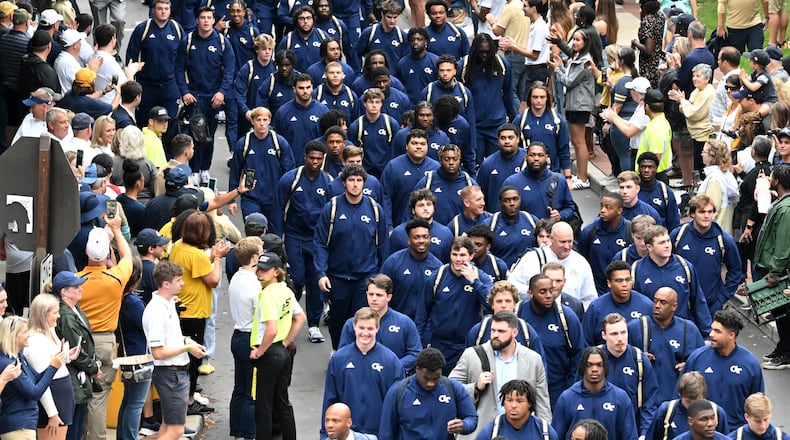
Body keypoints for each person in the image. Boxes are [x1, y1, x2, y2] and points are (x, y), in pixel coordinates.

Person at [314, 165, 388, 350]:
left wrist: (380, 276)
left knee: (363, 318)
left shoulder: (375, 209)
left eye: (359, 180)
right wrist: (321, 273)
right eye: (351, 180)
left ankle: (360, 353)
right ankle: (337, 351)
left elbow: (383, 244)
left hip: (366, 276)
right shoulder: (331, 209)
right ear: (344, 183)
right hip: (338, 276)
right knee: (338, 319)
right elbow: (321, 242)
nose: (355, 184)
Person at [167, 211, 230, 414]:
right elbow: (212, 280)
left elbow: (197, 268)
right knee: (193, 359)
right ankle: (189, 399)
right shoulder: (196, 255)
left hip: (180, 309)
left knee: (181, 356)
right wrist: (218, 258)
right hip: (195, 312)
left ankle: (183, 394)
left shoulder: (178, 247)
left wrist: (211, 256)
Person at [76, 218, 133, 440]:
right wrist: (117, 231)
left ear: (85, 251)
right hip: (104, 341)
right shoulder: (116, 279)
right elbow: (127, 257)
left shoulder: (76, 280)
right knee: (99, 396)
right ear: (109, 254)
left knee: (77, 394)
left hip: (78, 342)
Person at [142, 261, 207, 440]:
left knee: (166, 428)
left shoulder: (168, 303)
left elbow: (170, 337)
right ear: (166, 284)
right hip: (171, 374)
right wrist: (187, 347)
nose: (183, 283)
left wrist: (187, 341)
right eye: (179, 280)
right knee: (175, 431)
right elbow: (158, 352)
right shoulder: (156, 311)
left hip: (174, 373)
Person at [277, 141, 333, 343]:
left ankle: (313, 325)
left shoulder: (328, 182)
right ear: (305, 157)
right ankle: (290, 316)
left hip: (317, 241)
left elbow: (331, 215)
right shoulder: (290, 180)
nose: (316, 162)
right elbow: (279, 209)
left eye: (319, 159)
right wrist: (278, 240)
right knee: (297, 278)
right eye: (312, 158)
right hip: (294, 236)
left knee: (316, 281)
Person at [176, 6, 235, 184]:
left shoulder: (223, 43)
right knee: (195, 135)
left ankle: (204, 169)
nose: (206, 21)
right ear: (197, 20)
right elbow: (178, 69)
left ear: (213, 20)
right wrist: (185, 92)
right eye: (202, 17)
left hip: (213, 98)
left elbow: (229, 70)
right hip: (194, 97)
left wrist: (221, 93)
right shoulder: (187, 41)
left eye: (209, 17)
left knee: (209, 135)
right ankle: (193, 170)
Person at [322, 308, 404, 438]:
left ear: (377, 328)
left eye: (370, 329)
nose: (365, 333)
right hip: (347, 434)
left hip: (378, 434)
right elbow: (330, 398)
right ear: (354, 327)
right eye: (361, 328)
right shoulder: (339, 359)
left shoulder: (391, 361)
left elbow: (397, 405)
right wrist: (324, 434)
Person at [416, 237, 493, 373]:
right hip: (440, 345)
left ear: (471, 255)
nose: (458, 259)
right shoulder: (436, 278)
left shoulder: (482, 278)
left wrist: (474, 282)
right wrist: (420, 345)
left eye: (462, 255)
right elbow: (422, 314)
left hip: (469, 345)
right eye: (454, 254)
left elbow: (491, 305)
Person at [680, 309, 764, 432]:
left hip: (734, 432)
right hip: (701, 431)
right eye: (712, 329)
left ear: (731, 335)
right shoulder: (697, 357)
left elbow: (757, 405)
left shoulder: (750, 365)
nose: (711, 334)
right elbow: (680, 395)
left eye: (717, 331)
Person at [249, 251, 304, 440]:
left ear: (276, 271)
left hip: (269, 353)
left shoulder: (267, 295)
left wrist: (259, 352)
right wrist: (286, 342)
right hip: (281, 351)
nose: (260, 273)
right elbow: (300, 317)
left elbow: (270, 329)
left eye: (265, 270)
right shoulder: (285, 290)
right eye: (259, 269)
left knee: (263, 404)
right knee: (282, 401)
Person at [379, 347, 478, 440]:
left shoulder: (453, 388)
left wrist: (464, 425)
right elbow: (386, 433)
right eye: (426, 378)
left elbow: (471, 418)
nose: (430, 383)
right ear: (417, 369)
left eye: (435, 378)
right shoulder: (398, 392)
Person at [632, 225, 712, 336]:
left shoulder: (685, 267)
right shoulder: (636, 270)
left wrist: (707, 333)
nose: (667, 246)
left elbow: (698, 301)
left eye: (668, 241)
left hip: (682, 332)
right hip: (650, 333)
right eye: (661, 243)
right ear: (649, 247)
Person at [517, 274, 584, 407]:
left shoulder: (566, 316)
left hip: (557, 388)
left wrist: (570, 388)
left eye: (551, 290)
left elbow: (578, 354)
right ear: (530, 293)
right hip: (522, 387)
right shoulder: (519, 312)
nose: (549, 295)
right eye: (543, 292)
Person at [670, 195, 741, 314]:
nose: (707, 216)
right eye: (702, 212)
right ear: (692, 214)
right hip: (681, 304)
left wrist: (721, 300)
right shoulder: (678, 235)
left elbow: (735, 271)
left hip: (710, 306)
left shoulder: (723, 239)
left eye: (710, 212)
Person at [229, 106, 295, 234]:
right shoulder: (244, 144)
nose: (262, 123)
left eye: (265, 120)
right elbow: (235, 172)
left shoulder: (279, 143)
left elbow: (290, 171)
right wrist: (231, 199)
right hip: (250, 197)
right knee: (254, 233)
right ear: (252, 121)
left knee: (273, 237)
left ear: (270, 121)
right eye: (258, 120)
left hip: (274, 199)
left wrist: (289, 197)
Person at [0, 317, 67, 440]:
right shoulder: (9, 364)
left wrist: (55, 363)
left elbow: (36, 378)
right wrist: (53, 367)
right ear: (13, 336)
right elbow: (34, 393)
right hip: (18, 428)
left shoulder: (19, 357)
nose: (29, 335)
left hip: (24, 425)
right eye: (25, 332)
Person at [338, 274, 422, 373]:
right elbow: (343, 354)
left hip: (394, 379)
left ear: (389, 297)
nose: (374, 299)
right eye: (371, 294)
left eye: (379, 295)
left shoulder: (404, 322)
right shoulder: (352, 323)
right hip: (362, 377)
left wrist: (393, 366)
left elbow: (415, 352)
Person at [552, 346, 638, 440]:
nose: (594, 369)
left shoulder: (621, 398)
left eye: (599, 365)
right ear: (583, 367)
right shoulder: (567, 398)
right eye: (589, 365)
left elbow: (630, 436)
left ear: (605, 367)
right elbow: (556, 436)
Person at [24, 294, 78, 440]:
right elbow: (43, 381)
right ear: (43, 315)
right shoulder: (35, 340)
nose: (59, 316)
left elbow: (52, 360)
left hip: (62, 394)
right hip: (53, 397)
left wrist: (66, 356)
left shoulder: (50, 331)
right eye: (55, 312)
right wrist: (52, 414)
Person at [598, 313, 660, 437]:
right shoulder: (594, 359)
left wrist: (644, 433)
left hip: (631, 429)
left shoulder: (639, 360)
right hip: (599, 428)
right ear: (604, 335)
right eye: (614, 334)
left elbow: (649, 401)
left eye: (623, 332)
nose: (620, 338)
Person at [509, 221, 597, 307]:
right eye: (562, 242)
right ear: (551, 239)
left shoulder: (581, 263)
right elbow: (511, 285)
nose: (567, 246)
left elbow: (589, 298)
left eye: (570, 241)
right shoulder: (532, 258)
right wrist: (534, 292)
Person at [753, 165, 790, 368]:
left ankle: (786, 353)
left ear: (777, 181)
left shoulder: (786, 209)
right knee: (779, 313)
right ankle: (783, 347)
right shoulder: (782, 203)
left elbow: (784, 244)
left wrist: (775, 271)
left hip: (781, 272)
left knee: (784, 314)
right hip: (777, 269)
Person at [460, 33, 516, 163]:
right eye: (481, 52)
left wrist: (513, 118)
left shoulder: (502, 64)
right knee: (475, 163)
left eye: (487, 52)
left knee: (498, 162)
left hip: (496, 124)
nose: (484, 55)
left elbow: (508, 93)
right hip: (474, 126)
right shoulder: (464, 66)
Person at [502, 142, 578, 225]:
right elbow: (503, 212)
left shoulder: (559, 180)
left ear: (546, 157)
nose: (536, 158)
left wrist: (560, 215)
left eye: (540, 155)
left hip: (550, 234)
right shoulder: (512, 182)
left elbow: (570, 208)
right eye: (532, 155)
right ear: (525, 157)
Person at [466, 281, 546, 356]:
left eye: (508, 301)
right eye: (499, 301)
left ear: (515, 304)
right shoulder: (479, 331)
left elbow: (539, 365)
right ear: (492, 304)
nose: (503, 305)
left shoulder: (527, 332)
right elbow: (467, 362)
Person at [583, 261, 653, 346]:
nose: (624, 284)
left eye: (628, 280)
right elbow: (586, 342)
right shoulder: (596, 308)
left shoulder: (646, 305)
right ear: (609, 283)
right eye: (619, 281)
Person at [576, 192, 633, 295]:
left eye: (608, 207)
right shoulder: (589, 231)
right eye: (601, 206)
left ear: (619, 210)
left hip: (621, 291)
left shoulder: (630, 232)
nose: (602, 210)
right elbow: (581, 261)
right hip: (596, 290)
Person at [513, 83, 572, 179]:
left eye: (542, 97)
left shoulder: (558, 120)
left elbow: (564, 150)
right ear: (530, 98)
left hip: (551, 172)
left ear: (547, 98)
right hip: (526, 172)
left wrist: (568, 178)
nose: (538, 100)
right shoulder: (520, 120)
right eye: (535, 97)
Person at [381, 130, 441, 226]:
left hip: (430, 226)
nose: (418, 147)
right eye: (414, 143)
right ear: (406, 146)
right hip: (399, 224)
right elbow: (385, 197)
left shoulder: (436, 168)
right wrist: (388, 226)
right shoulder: (393, 166)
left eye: (422, 144)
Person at [413, 144, 477, 225]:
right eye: (447, 159)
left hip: (461, 234)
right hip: (433, 231)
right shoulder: (428, 181)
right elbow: (412, 207)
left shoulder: (469, 183)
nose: (451, 163)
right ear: (440, 160)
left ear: (460, 160)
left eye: (455, 159)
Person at [475, 379, 560, 440]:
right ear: (503, 402)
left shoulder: (545, 431)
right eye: (509, 400)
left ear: (529, 403)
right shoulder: (491, 431)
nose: (513, 405)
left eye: (519, 401)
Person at [347, 88, 399, 178]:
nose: (374, 105)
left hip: (385, 170)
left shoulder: (391, 124)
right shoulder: (356, 126)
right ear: (364, 104)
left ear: (381, 104)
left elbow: (396, 148)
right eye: (371, 102)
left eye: (377, 102)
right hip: (364, 171)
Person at [476, 124, 528, 212]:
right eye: (503, 138)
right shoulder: (488, 163)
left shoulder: (527, 160)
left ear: (518, 139)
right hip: (496, 217)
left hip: (523, 216)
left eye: (510, 137)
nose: (507, 141)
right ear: (498, 140)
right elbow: (480, 193)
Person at [697, 140, 739, 235]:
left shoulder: (714, 180)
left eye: (704, 152)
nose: (701, 154)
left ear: (712, 156)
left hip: (714, 233)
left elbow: (711, 211)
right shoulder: (725, 174)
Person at [637, 152, 680, 230]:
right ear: (638, 169)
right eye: (643, 167)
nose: (646, 170)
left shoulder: (665, 192)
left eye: (650, 167)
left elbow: (674, 222)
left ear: (656, 168)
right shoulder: (633, 191)